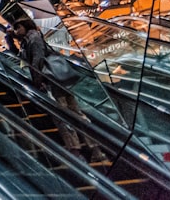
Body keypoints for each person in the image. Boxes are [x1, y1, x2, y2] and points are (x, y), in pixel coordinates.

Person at [6, 17, 105, 161]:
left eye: (18, 28)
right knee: (76, 114)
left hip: (52, 82)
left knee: (62, 115)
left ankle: (75, 149)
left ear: (26, 27)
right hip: (59, 80)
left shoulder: (33, 39)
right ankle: (95, 149)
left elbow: (37, 61)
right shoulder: (29, 40)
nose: (16, 31)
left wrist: (37, 82)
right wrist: (10, 39)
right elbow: (20, 56)